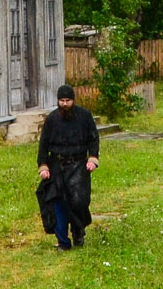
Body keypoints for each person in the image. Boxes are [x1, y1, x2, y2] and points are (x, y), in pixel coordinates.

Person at [35, 84, 100, 250]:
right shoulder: (52, 120)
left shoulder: (84, 116)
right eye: (62, 101)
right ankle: (63, 241)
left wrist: (92, 158)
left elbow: (93, 138)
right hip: (56, 165)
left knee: (78, 202)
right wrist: (43, 165)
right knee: (58, 203)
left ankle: (78, 231)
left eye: (68, 100)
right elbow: (43, 144)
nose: (65, 104)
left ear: (73, 100)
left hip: (79, 165)